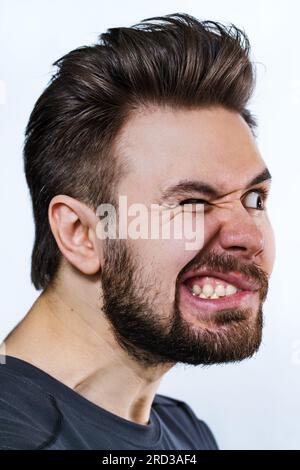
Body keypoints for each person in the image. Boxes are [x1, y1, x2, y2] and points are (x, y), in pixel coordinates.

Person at [0, 12, 275, 450]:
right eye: (192, 203)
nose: (251, 236)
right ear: (81, 234)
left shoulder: (186, 432)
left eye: (254, 199)